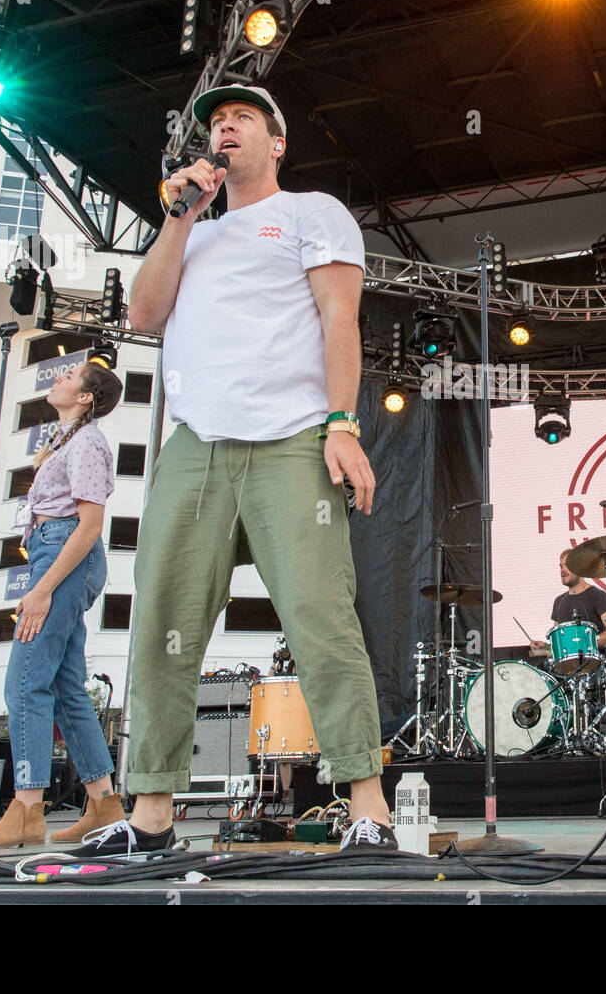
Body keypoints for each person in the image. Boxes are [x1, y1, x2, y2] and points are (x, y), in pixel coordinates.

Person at [85, 84, 392, 858]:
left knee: (321, 617)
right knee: (161, 620)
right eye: (216, 121)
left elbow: (338, 318)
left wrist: (342, 422)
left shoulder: (313, 211)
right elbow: (144, 316)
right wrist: (177, 215)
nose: (224, 126)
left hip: (291, 437)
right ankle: (151, 815)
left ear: (276, 141)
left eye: (241, 118)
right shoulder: (190, 231)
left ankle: (368, 806)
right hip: (197, 445)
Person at [0, 360, 127, 849]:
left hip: (64, 555)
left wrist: (43, 587)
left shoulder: (89, 442)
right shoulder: (70, 439)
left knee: (25, 681)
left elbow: (90, 524)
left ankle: (28, 810)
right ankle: (103, 803)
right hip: (57, 553)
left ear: (87, 397)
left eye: (70, 377)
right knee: (64, 686)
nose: (60, 378)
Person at [529, 549, 606, 658]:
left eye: (567, 566)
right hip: (568, 672)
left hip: (596, 666)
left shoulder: (598, 596)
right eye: (561, 566)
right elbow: (560, 645)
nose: (562, 570)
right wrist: (546, 649)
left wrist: (582, 646)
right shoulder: (558, 601)